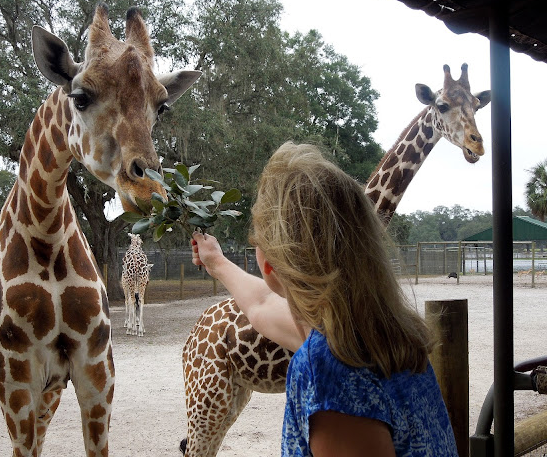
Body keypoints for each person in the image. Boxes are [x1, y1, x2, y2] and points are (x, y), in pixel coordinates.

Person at [191, 142, 458, 456]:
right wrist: (217, 262)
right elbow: (261, 305)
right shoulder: (376, 333)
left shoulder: (330, 370)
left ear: (269, 265)